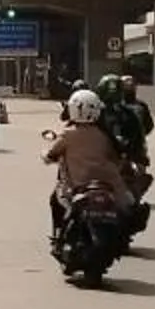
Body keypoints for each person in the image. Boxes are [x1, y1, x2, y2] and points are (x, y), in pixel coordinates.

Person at [44, 88, 131, 235]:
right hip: (109, 185)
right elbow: (117, 157)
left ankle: (59, 233)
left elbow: (52, 153)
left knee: (56, 199)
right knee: (128, 206)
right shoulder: (104, 134)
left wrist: (45, 156)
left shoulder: (68, 135)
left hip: (78, 187)